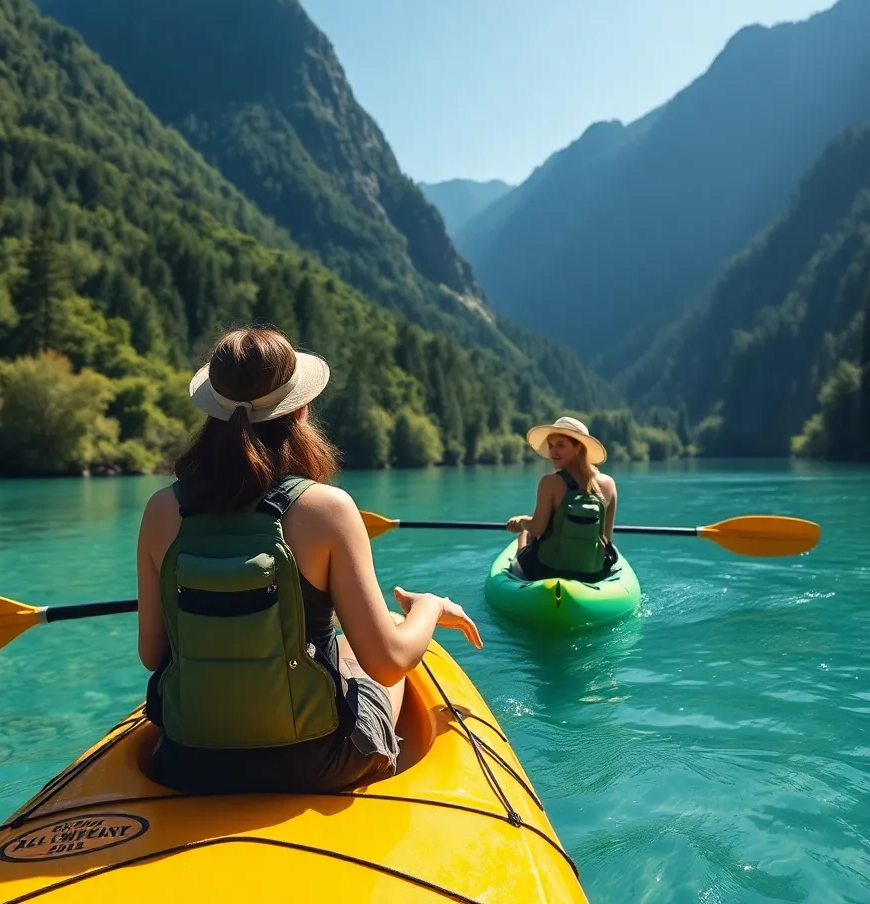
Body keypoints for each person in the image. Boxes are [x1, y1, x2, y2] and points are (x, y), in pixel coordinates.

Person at [136, 326, 483, 796]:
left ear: (213, 410)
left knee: (337, 650)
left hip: (187, 761)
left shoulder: (161, 510)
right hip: (315, 763)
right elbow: (388, 663)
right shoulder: (328, 509)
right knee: (367, 661)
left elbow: (154, 655)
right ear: (300, 409)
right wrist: (429, 608)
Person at [505, 416, 618, 582]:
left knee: (526, 534)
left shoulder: (550, 482)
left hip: (547, 570)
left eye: (561, 445)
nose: (553, 451)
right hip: (592, 573)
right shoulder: (609, 484)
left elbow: (537, 528)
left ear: (578, 448)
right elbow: (606, 538)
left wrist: (521, 522)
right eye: (551, 445)